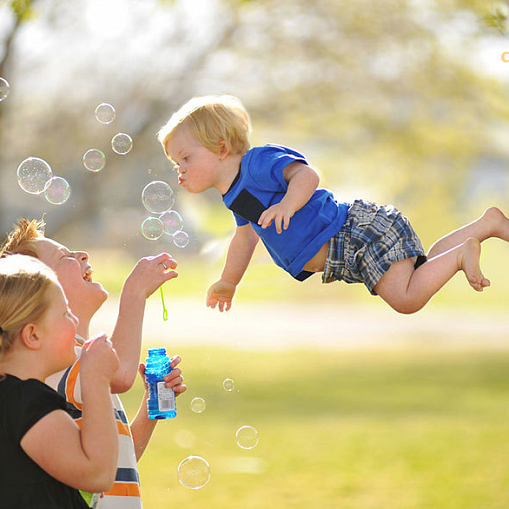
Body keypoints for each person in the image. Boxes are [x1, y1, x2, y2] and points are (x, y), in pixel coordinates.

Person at [157, 94, 509, 314]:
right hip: (347, 249)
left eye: (186, 158)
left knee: (406, 299)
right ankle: (486, 225)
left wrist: (288, 206)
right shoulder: (234, 195)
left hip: (355, 234)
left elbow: (308, 175)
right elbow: (244, 239)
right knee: (423, 271)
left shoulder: (258, 163)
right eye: (176, 164)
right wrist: (228, 282)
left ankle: (464, 253)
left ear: (220, 148)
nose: (181, 170)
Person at [0, 219, 187, 509]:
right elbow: (122, 374)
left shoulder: (66, 370)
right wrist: (135, 291)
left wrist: (151, 407)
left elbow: (110, 456)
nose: (83, 255)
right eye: (65, 257)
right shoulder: (56, 369)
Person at [0, 254, 119, 509]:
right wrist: (96, 378)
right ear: (32, 335)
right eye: (65, 313)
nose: (75, 320)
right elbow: (97, 473)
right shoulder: (27, 400)